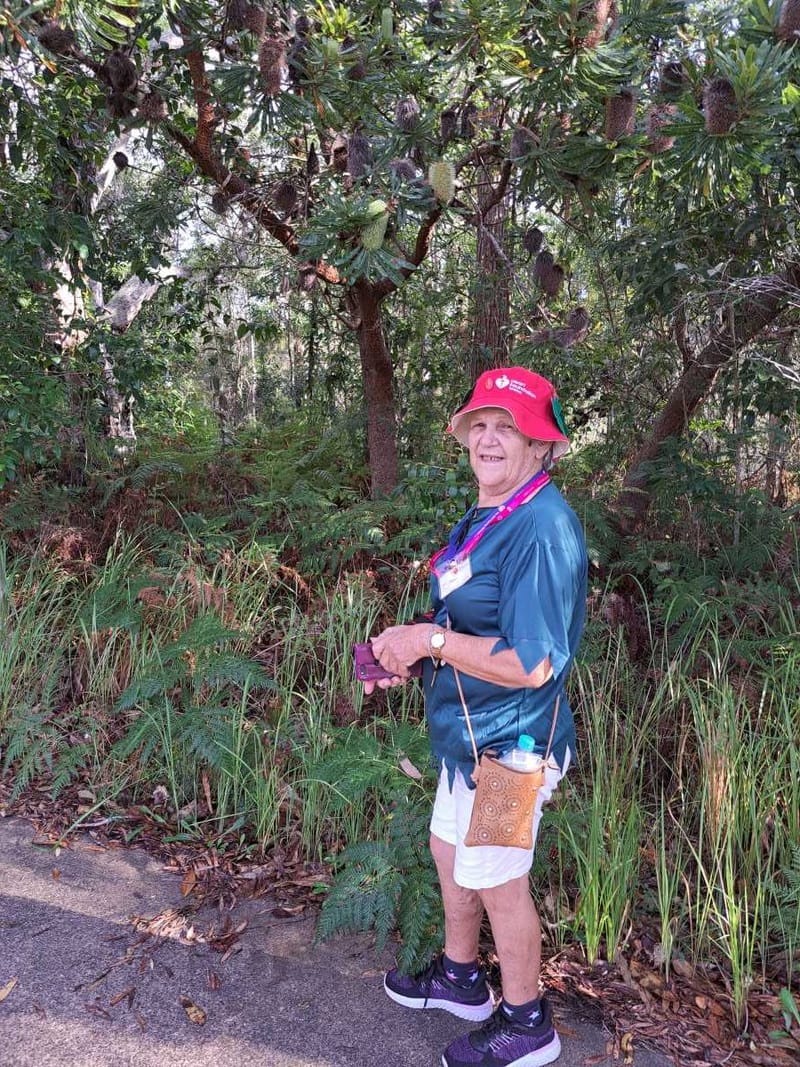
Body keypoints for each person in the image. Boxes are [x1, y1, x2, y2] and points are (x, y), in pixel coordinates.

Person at [361, 367, 588, 1067]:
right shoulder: (492, 512)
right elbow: (467, 618)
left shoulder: (543, 529)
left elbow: (534, 662)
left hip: (515, 744)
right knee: (449, 851)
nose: (490, 438)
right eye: (480, 424)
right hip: (467, 735)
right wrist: (409, 651)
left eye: (508, 427)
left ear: (540, 445)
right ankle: (462, 980)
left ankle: (527, 1022)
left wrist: (427, 640)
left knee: (495, 874)